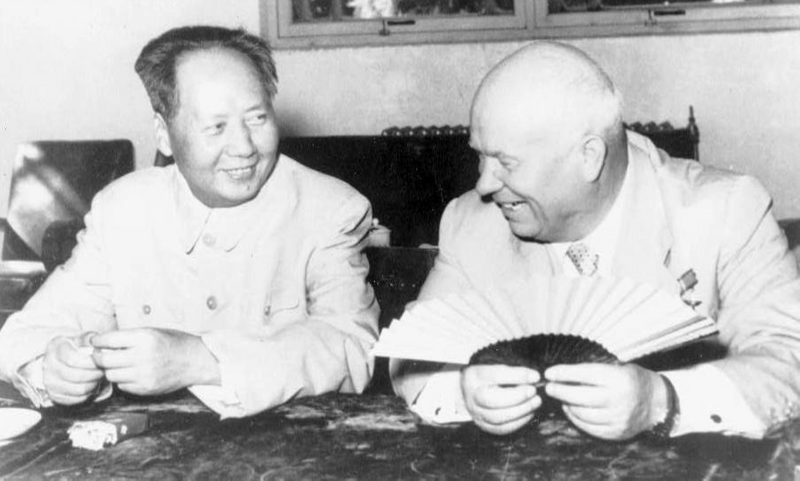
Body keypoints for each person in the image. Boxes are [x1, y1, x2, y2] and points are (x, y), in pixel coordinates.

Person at [390, 41, 800, 440]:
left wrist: (663, 401)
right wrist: (462, 390)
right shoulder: (473, 223)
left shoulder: (726, 211)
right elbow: (411, 359)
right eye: (480, 155)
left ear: (589, 157)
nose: (483, 183)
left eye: (506, 162)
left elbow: (788, 364)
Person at [0, 25, 379, 417]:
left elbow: (353, 348)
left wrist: (200, 361)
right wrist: (51, 366)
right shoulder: (123, 210)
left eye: (258, 118)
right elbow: (23, 333)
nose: (244, 147)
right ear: (164, 135)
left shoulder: (329, 209)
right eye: (216, 127)